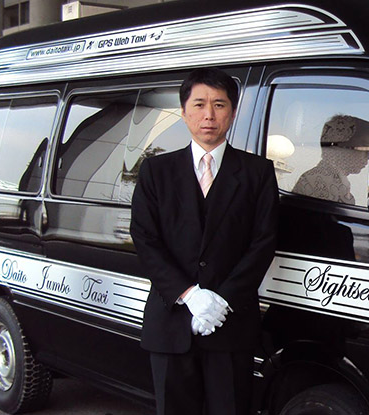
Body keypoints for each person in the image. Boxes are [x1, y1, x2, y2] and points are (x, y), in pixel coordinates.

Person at [130, 67, 278, 415]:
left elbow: (264, 241)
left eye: (219, 104)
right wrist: (190, 295)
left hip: (232, 325)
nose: (209, 115)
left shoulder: (258, 172)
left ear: (233, 112)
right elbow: (145, 239)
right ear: (184, 112)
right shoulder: (156, 171)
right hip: (170, 323)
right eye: (199, 104)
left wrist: (222, 300)